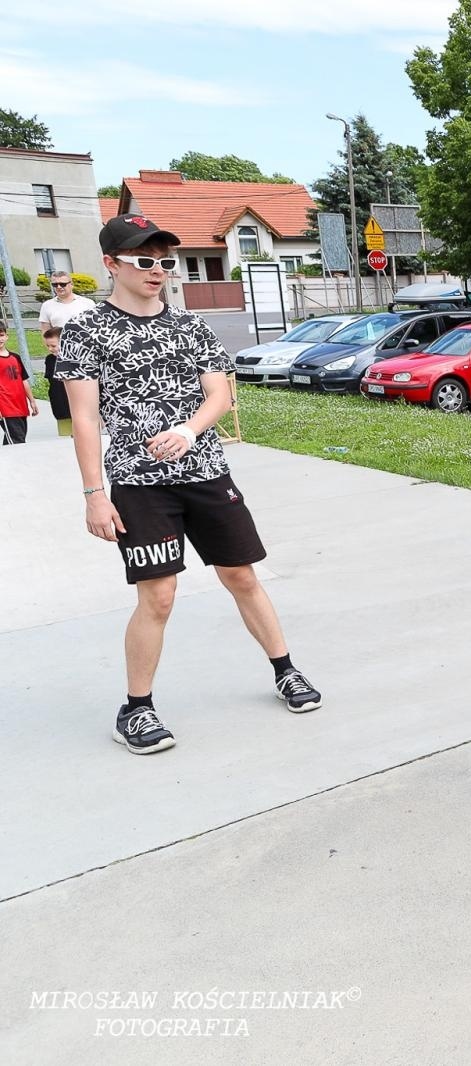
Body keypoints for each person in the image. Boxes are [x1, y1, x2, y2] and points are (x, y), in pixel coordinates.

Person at [56, 213, 323, 756]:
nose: (158, 271)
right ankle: (136, 709)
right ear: (111, 263)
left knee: (242, 576)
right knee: (158, 595)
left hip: (206, 474)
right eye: (145, 261)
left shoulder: (191, 326)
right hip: (138, 483)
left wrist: (190, 428)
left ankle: (285, 670)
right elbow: (85, 419)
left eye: (165, 261)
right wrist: (94, 494)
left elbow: (219, 395)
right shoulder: (86, 330)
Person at [0, 321, 37, 445]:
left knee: (16, 439)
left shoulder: (15, 357)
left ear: (6, 336)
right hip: (5, 407)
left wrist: (32, 401)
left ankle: (7, 463)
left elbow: (23, 380)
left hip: (20, 405)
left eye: (1, 335)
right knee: (17, 441)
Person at [41, 327, 73, 437]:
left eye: (53, 346)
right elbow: (52, 381)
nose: (50, 349)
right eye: (48, 346)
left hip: (76, 402)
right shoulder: (50, 359)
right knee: (68, 435)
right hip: (60, 404)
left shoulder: (74, 359)